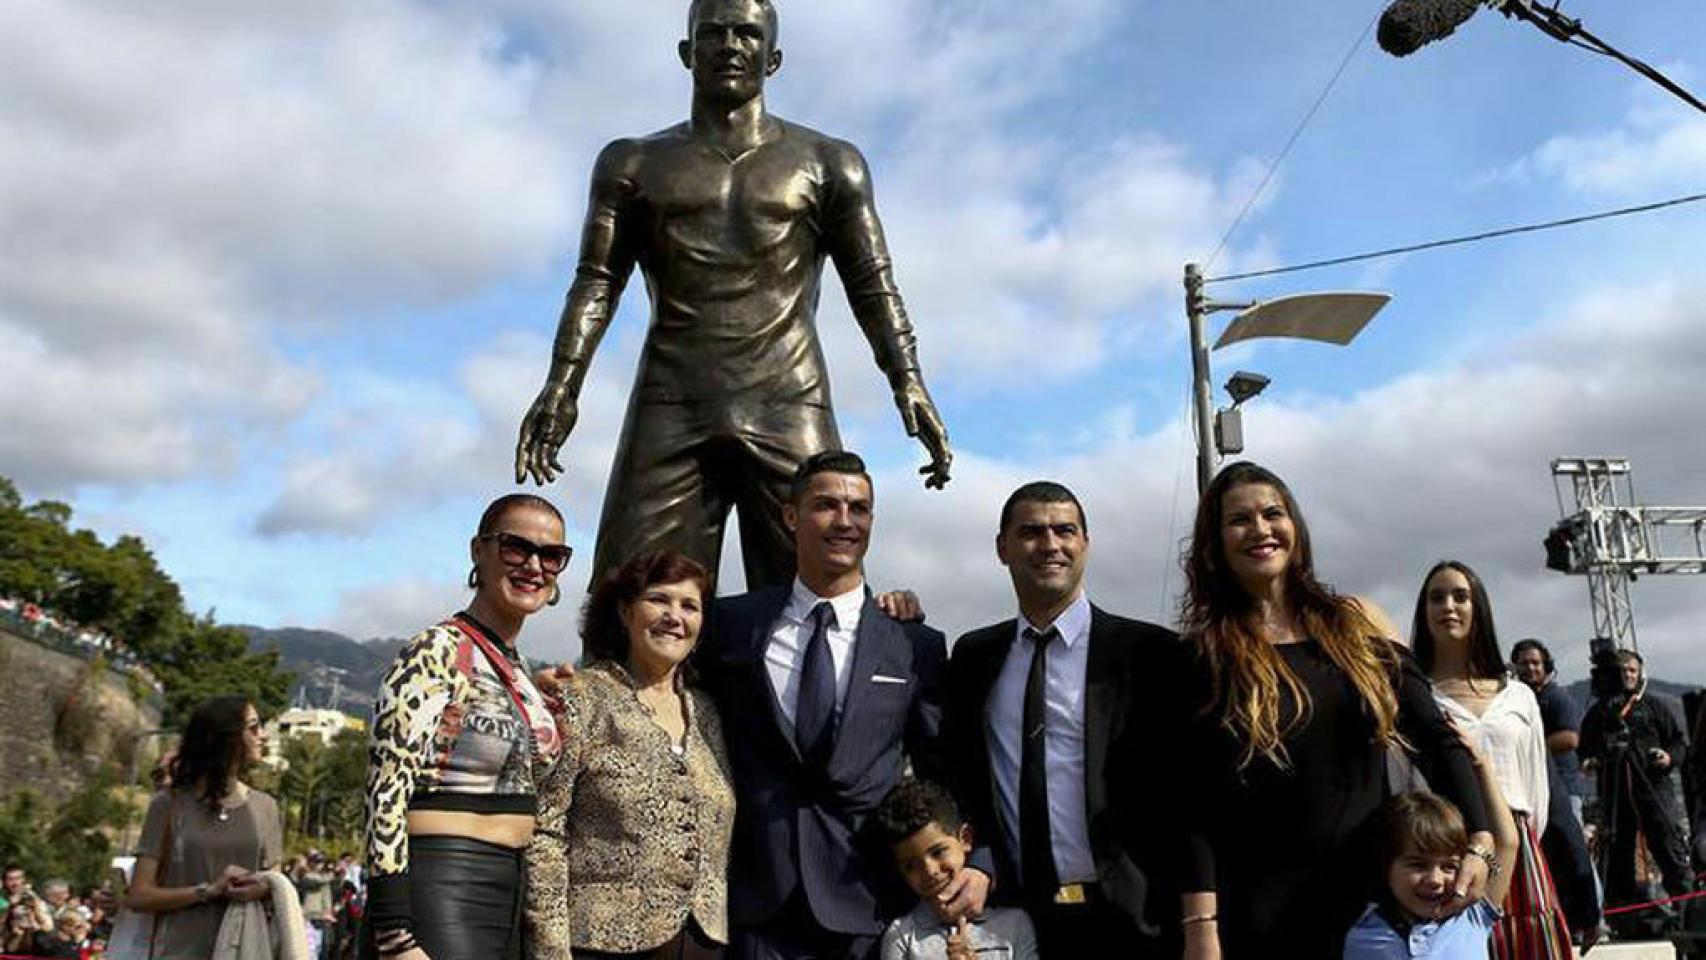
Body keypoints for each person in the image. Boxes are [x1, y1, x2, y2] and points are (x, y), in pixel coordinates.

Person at [515, 0, 953, 594]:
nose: (729, 45)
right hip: (672, 401)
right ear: (686, 52)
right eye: (713, 33)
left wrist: (909, 381)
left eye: (746, 33)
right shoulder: (633, 163)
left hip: (789, 397)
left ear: (773, 58)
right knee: (632, 597)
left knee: (822, 594)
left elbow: (872, 284)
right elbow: (597, 280)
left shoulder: (830, 163)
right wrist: (561, 385)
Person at [1173, 462, 1493, 959]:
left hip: (1370, 912)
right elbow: (1194, 802)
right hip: (1257, 914)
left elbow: (1434, 736)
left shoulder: (1356, 623)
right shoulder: (1202, 654)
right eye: (1238, 520)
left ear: (1295, 526)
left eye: (1272, 514)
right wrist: (1201, 926)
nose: (1259, 529)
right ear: (1214, 543)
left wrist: (1480, 840)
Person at [694, 450, 976, 960]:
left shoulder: (914, 644)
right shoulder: (730, 624)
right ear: (791, 516)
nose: (845, 521)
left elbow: (945, 769)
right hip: (756, 904)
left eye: (859, 509)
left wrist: (978, 863)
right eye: (827, 505)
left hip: (868, 904)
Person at [941, 481, 1179, 958]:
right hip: (1014, 920)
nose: (1050, 544)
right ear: (1002, 548)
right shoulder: (974, 656)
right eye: (1031, 532)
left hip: (1131, 919)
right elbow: (958, 773)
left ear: (1085, 544)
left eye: (1065, 531)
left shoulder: (1149, 654)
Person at [363, 494, 568, 960]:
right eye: (516, 547)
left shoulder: (517, 670)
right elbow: (386, 789)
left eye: (551, 555)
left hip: (513, 890)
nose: (534, 566)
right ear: (479, 550)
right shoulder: (435, 648)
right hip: (443, 884)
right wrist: (394, 934)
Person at [526, 551, 735, 960]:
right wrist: (550, 950)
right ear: (625, 612)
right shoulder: (580, 698)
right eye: (658, 599)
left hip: (703, 943)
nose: (674, 616)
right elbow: (544, 831)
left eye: (689, 606)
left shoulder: (708, 713)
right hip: (599, 943)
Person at [1409, 560, 1572, 956]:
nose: (1448, 606)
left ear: (1478, 607)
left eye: (1460, 596)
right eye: (1436, 598)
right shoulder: (1414, 696)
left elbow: (1537, 788)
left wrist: (1521, 846)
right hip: (1444, 848)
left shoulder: (1518, 695)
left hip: (1519, 850)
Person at [125, 695, 283, 960]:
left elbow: (275, 882)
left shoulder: (265, 807)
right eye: (253, 728)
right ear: (224, 737)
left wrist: (261, 888)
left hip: (246, 949)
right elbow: (139, 896)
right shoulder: (167, 805)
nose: (263, 736)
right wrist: (207, 891)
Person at [1343, 739, 1522, 960]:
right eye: (1418, 865)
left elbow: (1507, 843)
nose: (1435, 880)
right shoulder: (1361, 930)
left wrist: (1481, 766)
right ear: (1386, 863)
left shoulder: (1471, 915)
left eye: (1449, 867)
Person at [873, 778, 1038, 960]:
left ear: (965, 839)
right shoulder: (902, 936)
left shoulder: (1014, 924)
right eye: (911, 865)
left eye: (938, 852)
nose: (930, 871)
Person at [1580, 648, 1694, 911]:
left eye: (1633, 670)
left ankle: (1687, 906)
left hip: (1654, 789)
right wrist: (1589, 761)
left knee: (1668, 845)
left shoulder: (1653, 705)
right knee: (1617, 853)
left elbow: (1678, 742)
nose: (1628, 675)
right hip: (1615, 793)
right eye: (1622, 670)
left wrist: (1668, 758)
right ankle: (1624, 911)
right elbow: (1584, 748)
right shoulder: (1599, 712)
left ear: (1640, 673)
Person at [1510, 637, 1602, 942]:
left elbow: (1570, 738)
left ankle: (1594, 918)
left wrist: (1528, 744)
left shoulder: (1556, 697)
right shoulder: (1520, 698)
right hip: (1534, 789)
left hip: (1563, 788)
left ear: (1546, 665)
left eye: (1535, 662)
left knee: (1576, 853)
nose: (1530, 668)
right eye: (1524, 663)